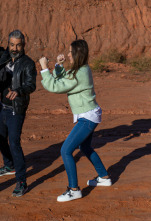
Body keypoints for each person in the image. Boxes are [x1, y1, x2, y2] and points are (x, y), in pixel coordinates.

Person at [39, 39, 112, 202]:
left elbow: (55, 87)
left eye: (70, 52)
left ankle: (74, 189)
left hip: (87, 118)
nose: (68, 54)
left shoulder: (80, 73)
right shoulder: (81, 70)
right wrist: (58, 66)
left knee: (65, 150)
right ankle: (104, 177)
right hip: (90, 115)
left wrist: (44, 69)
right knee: (85, 146)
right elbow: (64, 79)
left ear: (77, 53)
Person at [0, 28, 37, 197]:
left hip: (16, 108)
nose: (15, 48)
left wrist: (19, 91)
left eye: (18, 45)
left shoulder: (28, 63)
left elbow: (31, 85)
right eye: (12, 45)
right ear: (9, 44)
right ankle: (9, 165)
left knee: (14, 143)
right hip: (3, 106)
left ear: (23, 45)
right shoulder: (5, 55)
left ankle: (22, 181)